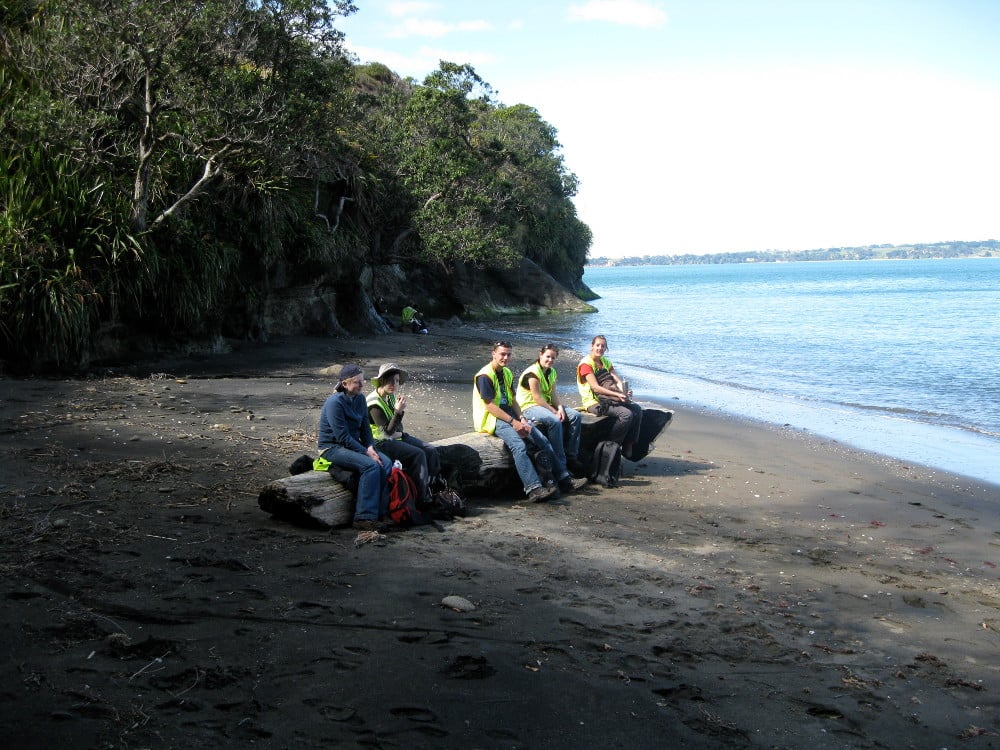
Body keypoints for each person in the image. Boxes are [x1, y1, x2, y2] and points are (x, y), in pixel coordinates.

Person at [473, 341, 583, 502]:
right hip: (493, 419)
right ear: (494, 354)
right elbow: (489, 406)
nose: (505, 357)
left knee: (543, 441)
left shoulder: (507, 373)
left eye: (508, 354)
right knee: (519, 445)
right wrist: (514, 422)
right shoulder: (485, 375)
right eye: (502, 354)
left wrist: (522, 418)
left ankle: (564, 478)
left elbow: (513, 401)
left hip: (511, 414)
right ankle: (533, 488)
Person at [317, 364, 393, 531]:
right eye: (357, 382)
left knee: (386, 463)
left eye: (362, 381)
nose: (362, 384)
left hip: (354, 445)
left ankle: (381, 513)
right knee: (370, 466)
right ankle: (364, 517)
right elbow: (342, 437)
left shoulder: (359, 399)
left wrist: (371, 447)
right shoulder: (334, 403)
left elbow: (365, 429)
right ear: (345, 384)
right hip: (332, 448)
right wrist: (366, 452)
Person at [366, 362, 441, 508]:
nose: (394, 384)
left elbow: (397, 427)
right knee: (418, 454)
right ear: (381, 380)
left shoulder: (390, 396)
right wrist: (398, 412)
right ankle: (421, 499)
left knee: (431, 450)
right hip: (380, 443)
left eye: (397, 381)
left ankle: (433, 488)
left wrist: (398, 417)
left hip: (395, 435)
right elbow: (386, 432)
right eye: (390, 380)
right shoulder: (374, 403)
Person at [516, 343, 586, 480]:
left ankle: (572, 455)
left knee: (576, 416)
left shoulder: (552, 372)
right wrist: (554, 411)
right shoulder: (532, 373)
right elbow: (536, 398)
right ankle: (561, 463)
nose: (550, 360)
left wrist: (559, 407)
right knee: (555, 421)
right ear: (540, 355)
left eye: (553, 358)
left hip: (545, 405)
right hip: (529, 406)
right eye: (547, 357)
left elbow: (553, 395)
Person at [577, 335, 643, 459]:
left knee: (637, 409)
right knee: (626, 414)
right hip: (594, 402)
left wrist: (624, 390)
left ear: (606, 348)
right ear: (592, 346)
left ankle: (629, 443)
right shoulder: (586, 364)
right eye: (598, 345)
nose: (600, 348)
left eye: (603, 346)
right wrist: (617, 394)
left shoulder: (606, 362)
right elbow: (595, 387)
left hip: (609, 397)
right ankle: (612, 445)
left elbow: (617, 380)